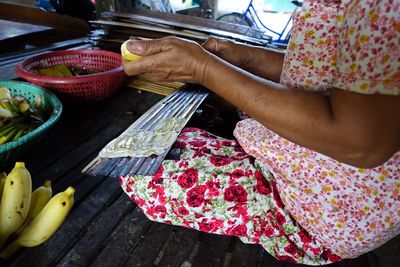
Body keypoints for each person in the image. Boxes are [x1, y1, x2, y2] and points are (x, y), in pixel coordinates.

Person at [120, 0, 400, 265]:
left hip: (327, 210)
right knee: (163, 144)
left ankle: (296, 237)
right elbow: (325, 72)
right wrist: (247, 58)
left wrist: (203, 67)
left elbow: (360, 142)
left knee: (139, 172)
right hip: (305, 168)